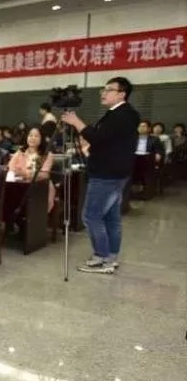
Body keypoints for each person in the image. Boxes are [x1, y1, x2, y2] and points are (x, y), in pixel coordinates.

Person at [62, 76, 140, 274]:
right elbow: (106, 141)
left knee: (91, 216)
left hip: (106, 174)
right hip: (115, 173)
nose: (103, 93)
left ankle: (102, 258)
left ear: (122, 94)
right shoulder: (123, 114)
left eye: (109, 89)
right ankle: (111, 256)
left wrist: (76, 121)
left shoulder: (121, 115)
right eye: (103, 89)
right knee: (111, 218)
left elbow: (98, 138)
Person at [8, 127, 56, 212]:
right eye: (30, 135)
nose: (33, 138)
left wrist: (24, 173)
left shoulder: (47, 155)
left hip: (40, 186)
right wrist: (21, 173)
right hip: (20, 185)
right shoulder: (20, 152)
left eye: (36, 136)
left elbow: (44, 175)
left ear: (42, 138)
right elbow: (11, 167)